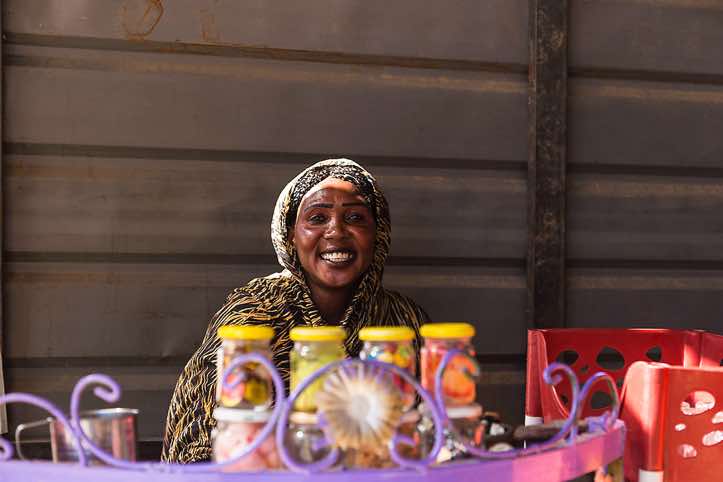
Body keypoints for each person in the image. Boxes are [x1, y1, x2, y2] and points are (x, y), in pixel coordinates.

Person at [161, 158, 429, 463]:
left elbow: (429, 432)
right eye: (317, 218)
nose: (336, 232)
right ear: (290, 235)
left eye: (355, 217)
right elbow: (220, 438)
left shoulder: (403, 321)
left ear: (377, 234)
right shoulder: (255, 312)